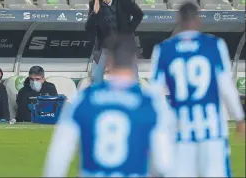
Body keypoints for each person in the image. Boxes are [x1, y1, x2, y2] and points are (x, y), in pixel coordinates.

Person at [43, 35, 174, 177]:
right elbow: (164, 163)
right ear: (135, 61)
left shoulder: (83, 99)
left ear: (109, 61)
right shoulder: (151, 103)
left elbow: (59, 156)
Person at [150, 2, 245, 177]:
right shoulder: (214, 45)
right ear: (198, 19)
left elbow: (154, 93)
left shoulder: (164, 49)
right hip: (211, 131)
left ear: (178, 19)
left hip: (180, 130)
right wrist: (239, 117)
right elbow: (225, 85)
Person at [85, 0, 144, 84]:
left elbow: (139, 15)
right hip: (104, 44)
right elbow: (88, 29)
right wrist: (95, 12)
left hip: (124, 43)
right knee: (95, 77)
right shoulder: (94, 3)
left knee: (133, 77)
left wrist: (128, 32)